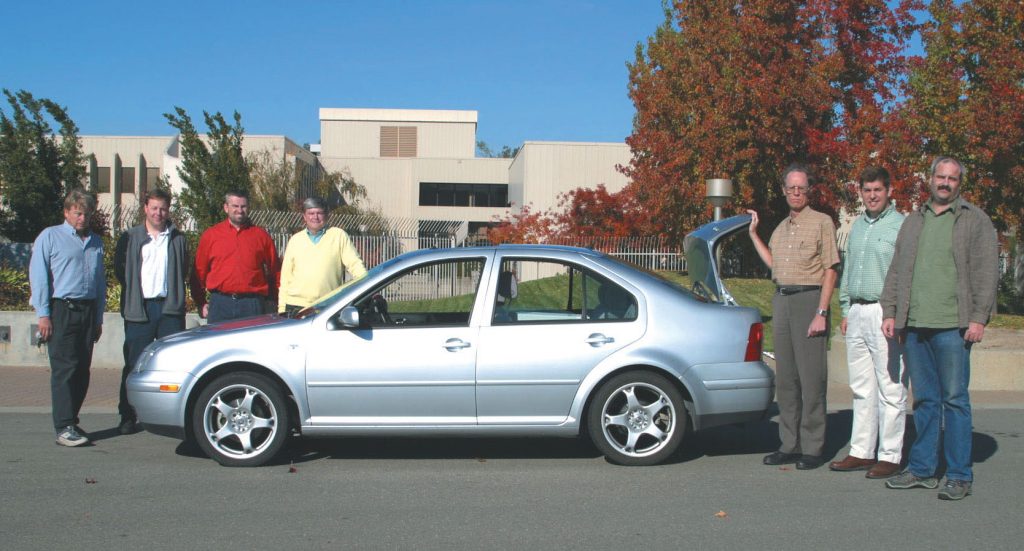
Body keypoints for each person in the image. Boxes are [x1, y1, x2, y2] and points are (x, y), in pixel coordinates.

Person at [880, 156, 999, 501]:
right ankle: (922, 469)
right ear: (930, 179)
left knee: (955, 400)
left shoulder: (974, 220)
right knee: (925, 401)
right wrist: (891, 310)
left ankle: (959, 475)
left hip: (954, 327)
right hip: (915, 326)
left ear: (960, 183)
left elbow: (987, 272)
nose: (945, 183)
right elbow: (897, 269)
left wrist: (978, 318)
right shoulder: (914, 221)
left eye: (952, 178)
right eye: (940, 176)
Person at [747, 163, 840, 470]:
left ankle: (813, 448)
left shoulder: (822, 222)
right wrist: (754, 234)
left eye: (801, 188)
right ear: (784, 190)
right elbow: (775, 265)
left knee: (811, 379)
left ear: (808, 190)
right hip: (782, 301)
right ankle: (790, 443)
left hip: (809, 300)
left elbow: (830, 269)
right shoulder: (781, 228)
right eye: (791, 188)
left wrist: (822, 312)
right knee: (786, 380)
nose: (796, 193)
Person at [829, 167, 907, 479]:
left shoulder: (900, 226)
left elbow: (903, 274)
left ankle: (890, 455)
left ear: (888, 191)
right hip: (858, 312)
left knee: (891, 387)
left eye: (877, 190)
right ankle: (861, 451)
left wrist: (895, 314)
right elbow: (847, 272)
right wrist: (846, 310)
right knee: (862, 387)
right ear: (860, 193)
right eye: (867, 190)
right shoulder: (858, 226)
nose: (872, 195)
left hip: (883, 312)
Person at [29, 189, 106, 447]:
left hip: (87, 311)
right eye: (77, 213)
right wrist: (44, 315)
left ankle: (71, 420)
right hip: (61, 309)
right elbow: (39, 277)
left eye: (86, 214)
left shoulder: (95, 241)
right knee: (65, 369)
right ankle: (63, 427)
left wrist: (98, 319)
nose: (82, 218)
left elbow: (99, 282)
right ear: (67, 212)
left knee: (82, 370)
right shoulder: (50, 237)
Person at [113, 188, 189, 435]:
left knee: (173, 366)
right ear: (145, 208)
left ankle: (171, 416)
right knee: (134, 365)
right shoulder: (130, 237)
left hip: (169, 310)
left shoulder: (177, 238)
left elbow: (184, 268)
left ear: (169, 210)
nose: (159, 213)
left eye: (163, 208)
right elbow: (120, 271)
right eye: (154, 208)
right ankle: (127, 415)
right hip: (140, 311)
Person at [190, 190, 279, 323]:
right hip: (220, 304)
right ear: (226, 208)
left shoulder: (261, 236)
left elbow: (275, 270)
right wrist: (200, 302)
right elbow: (199, 272)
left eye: (243, 206)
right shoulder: (211, 235)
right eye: (235, 206)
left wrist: (273, 300)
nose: (240, 210)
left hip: (252, 304)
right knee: (218, 343)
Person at [278, 197, 367, 315]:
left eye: (319, 213)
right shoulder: (295, 240)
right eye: (311, 213)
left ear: (327, 215)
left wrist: (368, 284)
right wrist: (282, 308)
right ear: (304, 216)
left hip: (328, 305)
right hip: (296, 305)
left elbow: (355, 265)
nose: (315, 217)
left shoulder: (338, 235)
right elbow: (286, 277)